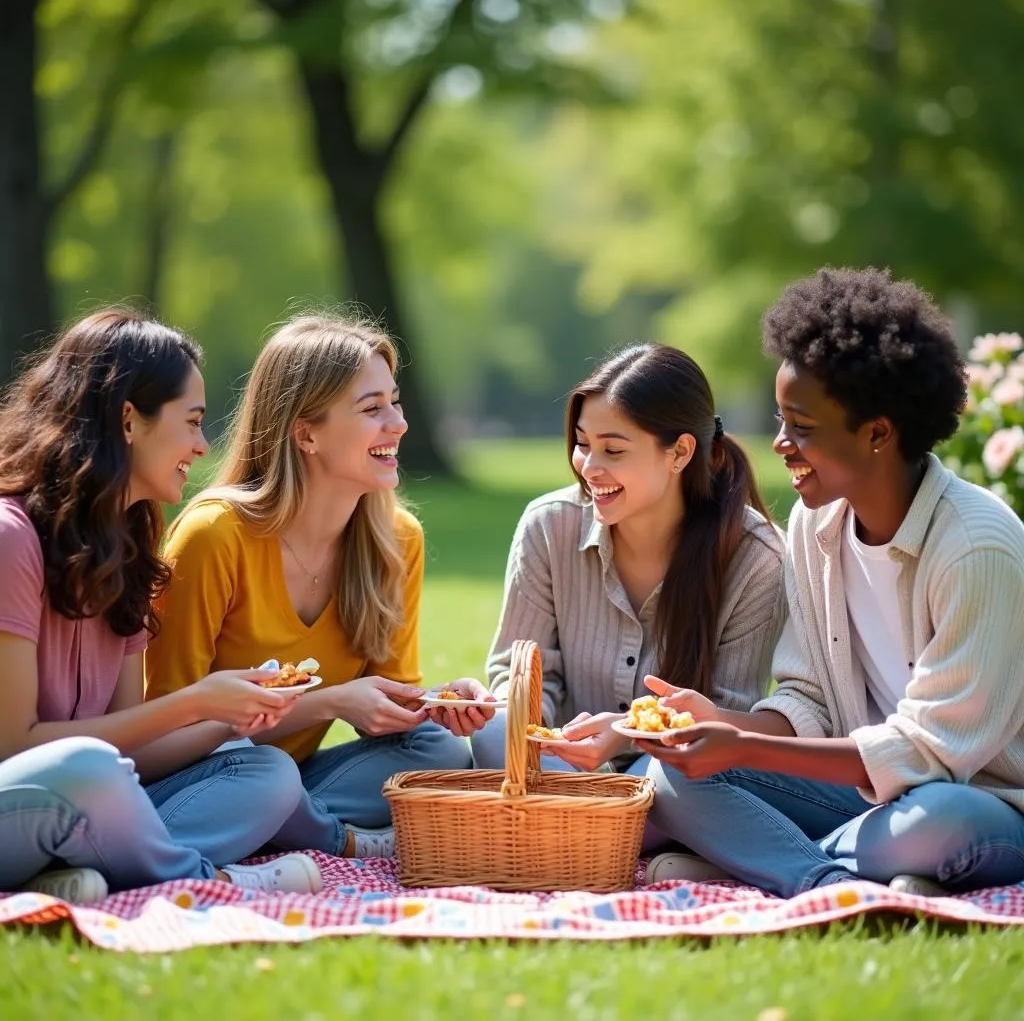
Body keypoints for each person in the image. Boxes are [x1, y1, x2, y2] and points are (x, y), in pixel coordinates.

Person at [642, 266, 1024, 898]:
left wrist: (740, 747)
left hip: (981, 803)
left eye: (804, 429)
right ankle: (822, 881)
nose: (781, 445)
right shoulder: (813, 527)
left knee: (931, 825)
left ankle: (760, 861)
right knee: (667, 777)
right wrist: (722, 730)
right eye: (781, 421)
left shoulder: (976, 546)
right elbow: (809, 699)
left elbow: (928, 755)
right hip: (864, 798)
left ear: (877, 433)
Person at [0, 309, 323, 904]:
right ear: (129, 420)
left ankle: (76, 871)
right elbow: (17, 747)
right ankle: (206, 879)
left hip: (83, 793)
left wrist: (230, 716)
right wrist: (194, 700)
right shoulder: (11, 537)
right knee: (87, 767)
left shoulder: (128, 549)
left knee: (264, 770)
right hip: (20, 795)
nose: (202, 446)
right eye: (192, 422)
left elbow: (134, 753)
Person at [145, 315, 472, 861]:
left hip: (294, 779)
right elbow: (164, 731)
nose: (399, 423)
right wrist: (330, 703)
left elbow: (390, 715)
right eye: (372, 409)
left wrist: (437, 703)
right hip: (203, 775)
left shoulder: (397, 540)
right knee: (267, 777)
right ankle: (331, 838)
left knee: (436, 749)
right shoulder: (215, 536)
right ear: (306, 432)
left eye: (395, 402)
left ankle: (273, 824)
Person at [471, 344, 786, 877]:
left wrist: (630, 731)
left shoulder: (756, 558)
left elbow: (728, 718)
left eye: (613, 451)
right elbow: (518, 675)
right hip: (557, 770)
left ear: (680, 453)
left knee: (676, 783)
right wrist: (528, 727)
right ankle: (620, 839)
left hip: (667, 777)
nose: (589, 467)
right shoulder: (548, 526)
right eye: (582, 445)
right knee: (489, 734)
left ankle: (570, 834)